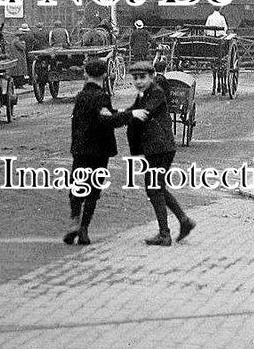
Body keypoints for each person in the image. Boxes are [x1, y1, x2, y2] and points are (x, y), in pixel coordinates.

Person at [115, 61, 194, 246]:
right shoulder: (143, 94)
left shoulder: (156, 92)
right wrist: (113, 114)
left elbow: (143, 113)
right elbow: (132, 112)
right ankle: (184, 221)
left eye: (143, 77)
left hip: (160, 148)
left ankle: (165, 234)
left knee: (154, 189)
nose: (139, 81)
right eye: (135, 78)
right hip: (156, 147)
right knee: (157, 188)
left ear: (151, 77)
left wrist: (127, 115)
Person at [65, 58, 117, 246]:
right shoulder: (103, 97)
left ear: (85, 74)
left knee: (77, 186)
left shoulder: (80, 97)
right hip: (99, 150)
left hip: (81, 149)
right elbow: (107, 119)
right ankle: (84, 228)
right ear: (105, 75)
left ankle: (74, 221)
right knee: (94, 189)